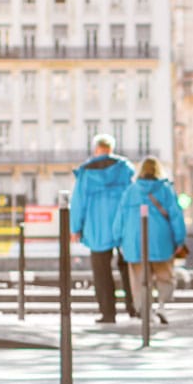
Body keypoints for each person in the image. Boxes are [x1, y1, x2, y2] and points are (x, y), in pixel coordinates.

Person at [70, 135, 133, 324]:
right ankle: (134, 308)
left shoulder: (86, 172)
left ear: (97, 149)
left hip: (97, 227)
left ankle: (108, 313)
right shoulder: (124, 169)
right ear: (111, 149)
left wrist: (75, 228)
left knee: (101, 271)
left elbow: (78, 202)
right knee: (129, 268)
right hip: (123, 226)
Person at [120, 157, 189, 321]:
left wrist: (119, 240)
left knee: (139, 279)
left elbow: (120, 218)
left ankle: (145, 311)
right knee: (165, 275)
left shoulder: (131, 190)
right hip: (161, 241)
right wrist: (179, 240)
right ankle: (162, 306)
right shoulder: (165, 190)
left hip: (135, 242)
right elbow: (176, 216)